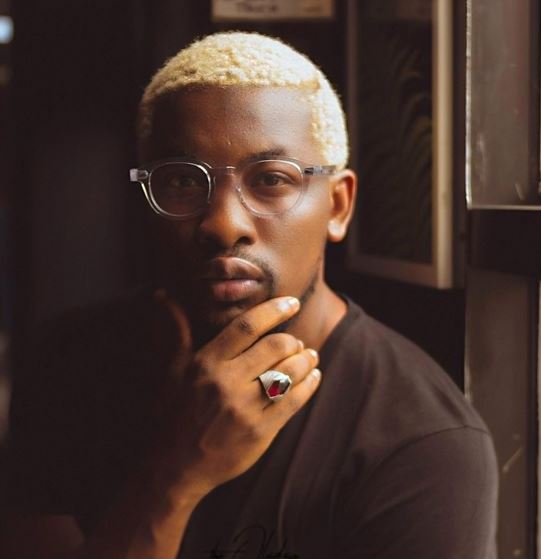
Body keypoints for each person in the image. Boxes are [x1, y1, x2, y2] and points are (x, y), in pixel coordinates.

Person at [1, 32, 497, 558]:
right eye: (182, 181)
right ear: (145, 200)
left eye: (272, 180)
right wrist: (176, 475)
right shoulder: (67, 363)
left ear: (337, 206)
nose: (223, 224)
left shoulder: (423, 443)